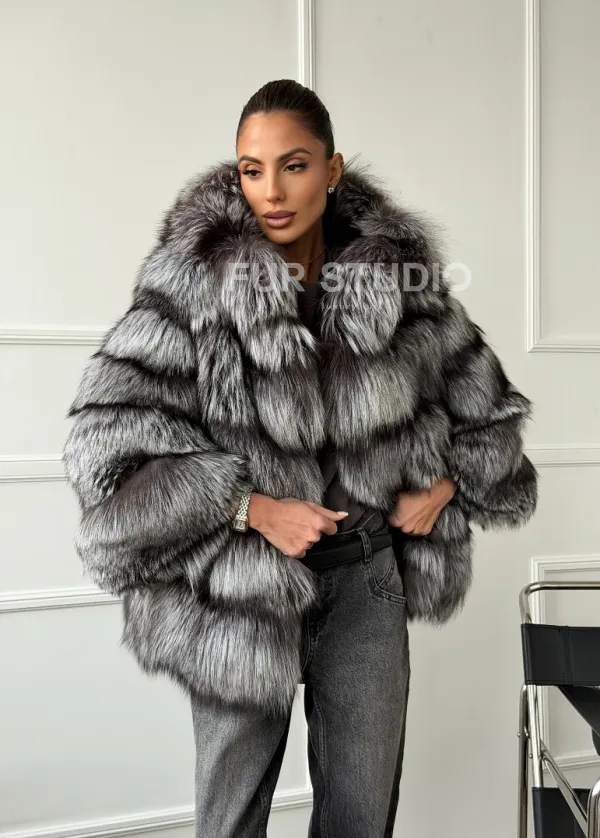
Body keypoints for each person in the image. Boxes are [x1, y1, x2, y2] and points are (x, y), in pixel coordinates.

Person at [62, 79, 538, 837]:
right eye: (253, 170)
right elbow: (106, 448)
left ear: (332, 168)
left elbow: (488, 411)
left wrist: (447, 483)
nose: (273, 192)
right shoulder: (194, 280)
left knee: (360, 820)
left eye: (294, 165)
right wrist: (249, 508)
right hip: (241, 588)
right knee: (231, 821)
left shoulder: (399, 280)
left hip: (365, 585)